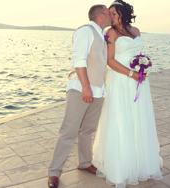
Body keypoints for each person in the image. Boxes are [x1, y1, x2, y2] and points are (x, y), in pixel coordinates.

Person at [92, 0, 163, 187]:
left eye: (114, 13)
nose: (111, 17)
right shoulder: (110, 33)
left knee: (139, 118)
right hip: (121, 80)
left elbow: (138, 53)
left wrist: (142, 65)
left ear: (124, 13)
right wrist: (131, 73)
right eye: (110, 14)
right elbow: (109, 60)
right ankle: (121, 166)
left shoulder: (136, 31)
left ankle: (140, 163)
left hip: (138, 82)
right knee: (121, 118)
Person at [47, 4, 111, 188]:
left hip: (98, 91)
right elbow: (79, 60)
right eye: (109, 13)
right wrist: (85, 87)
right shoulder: (86, 31)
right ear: (100, 16)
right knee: (68, 131)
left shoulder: (101, 34)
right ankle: (54, 172)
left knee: (87, 130)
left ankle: (84, 162)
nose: (111, 16)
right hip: (81, 89)